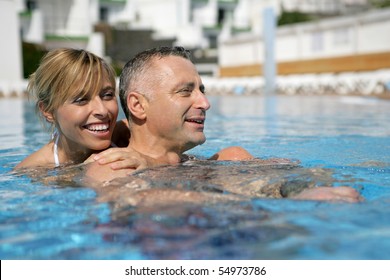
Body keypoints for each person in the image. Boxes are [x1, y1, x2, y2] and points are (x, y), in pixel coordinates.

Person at [85, 46, 362, 203]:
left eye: (202, 90)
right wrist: (233, 198)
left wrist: (305, 192)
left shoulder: (225, 161)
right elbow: (135, 201)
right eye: (185, 91)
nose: (205, 103)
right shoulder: (113, 165)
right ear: (137, 105)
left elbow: (285, 181)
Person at [14, 48, 146, 171]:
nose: (102, 110)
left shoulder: (127, 134)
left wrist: (149, 161)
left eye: (107, 95)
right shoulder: (34, 171)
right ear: (48, 111)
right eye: (81, 100)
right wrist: (82, 171)